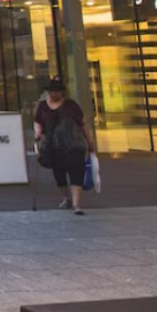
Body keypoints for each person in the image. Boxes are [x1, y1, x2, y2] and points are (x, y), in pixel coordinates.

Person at [34, 78, 95, 215]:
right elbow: (37, 122)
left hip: (74, 144)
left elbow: (83, 124)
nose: (53, 94)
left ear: (61, 92)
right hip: (53, 146)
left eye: (56, 92)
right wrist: (37, 134)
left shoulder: (71, 105)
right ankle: (65, 198)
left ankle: (76, 204)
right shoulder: (43, 106)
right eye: (51, 92)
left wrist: (90, 142)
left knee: (76, 173)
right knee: (59, 174)